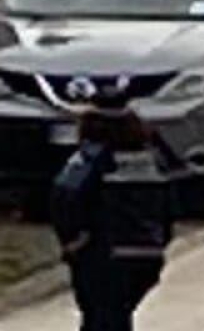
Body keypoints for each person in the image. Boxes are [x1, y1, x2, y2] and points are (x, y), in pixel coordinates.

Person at [50, 81, 178, 331]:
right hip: (147, 255)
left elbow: (64, 197)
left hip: (104, 256)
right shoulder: (153, 155)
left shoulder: (89, 159)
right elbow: (173, 200)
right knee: (118, 317)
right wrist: (161, 238)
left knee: (100, 319)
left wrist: (73, 242)